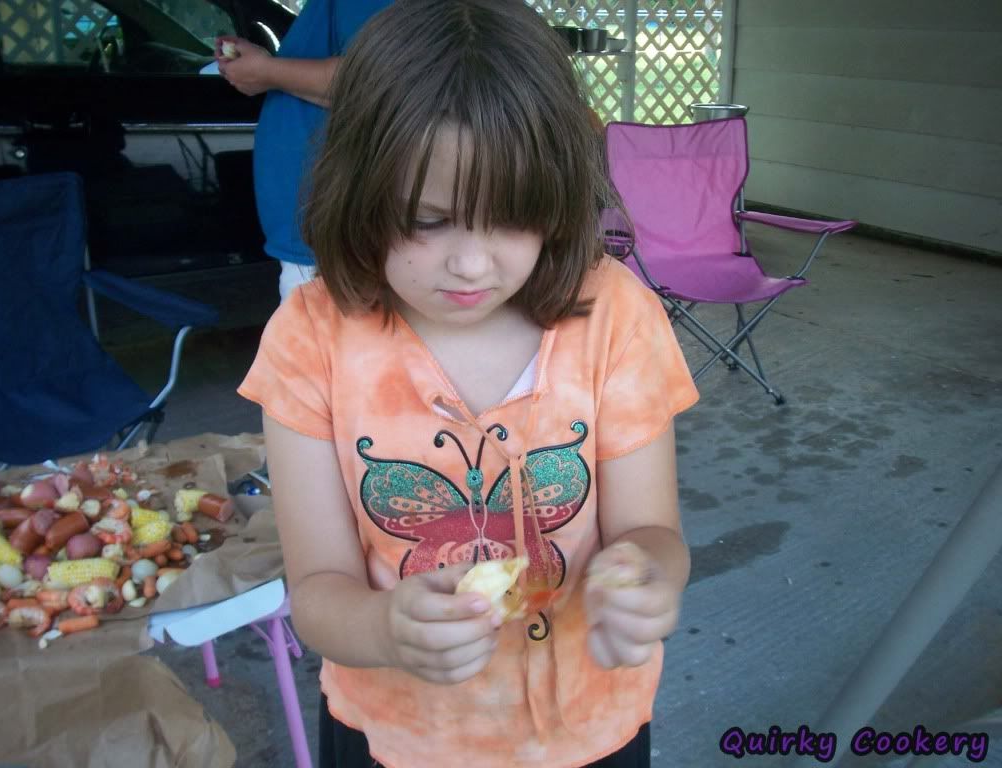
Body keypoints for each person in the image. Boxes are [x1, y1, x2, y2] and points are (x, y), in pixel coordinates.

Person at [238, 1, 699, 766]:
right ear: (360, 189)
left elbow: (653, 532)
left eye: (513, 220)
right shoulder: (311, 339)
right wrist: (384, 629)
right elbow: (319, 589)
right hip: (396, 735)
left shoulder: (616, 314)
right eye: (426, 219)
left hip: (589, 727)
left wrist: (645, 580)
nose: (472, 265)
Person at [215, 0, 394, 302]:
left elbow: (382, 80)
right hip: (324, 239)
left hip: (337, 239)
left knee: (332, 346)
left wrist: (266, 72)